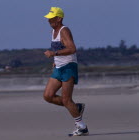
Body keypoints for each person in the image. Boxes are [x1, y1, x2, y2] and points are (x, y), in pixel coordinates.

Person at [43, 7, 89, 136]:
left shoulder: (64, 30)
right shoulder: (53, 32)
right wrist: (55, 58)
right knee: (48, 96)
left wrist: (54, 53)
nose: (49, 20)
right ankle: (77, 108)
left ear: (59, 18)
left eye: (52, 18)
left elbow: (72, 48)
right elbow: (60, 48)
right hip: (59, 67)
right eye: (48, 18)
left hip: (68, 67)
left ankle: (82, 127)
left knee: (66, 100)